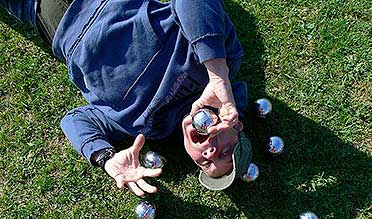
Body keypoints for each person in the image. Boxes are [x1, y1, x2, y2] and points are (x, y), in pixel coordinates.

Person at [1, 0, 253, 196]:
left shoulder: (149, 130)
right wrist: (217, 74)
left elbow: (75, 120)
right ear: (237, 125)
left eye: (206, 164)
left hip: (46, 14)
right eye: (226, 151)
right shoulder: (222, 62)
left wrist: (106, 158)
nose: (210, 153)